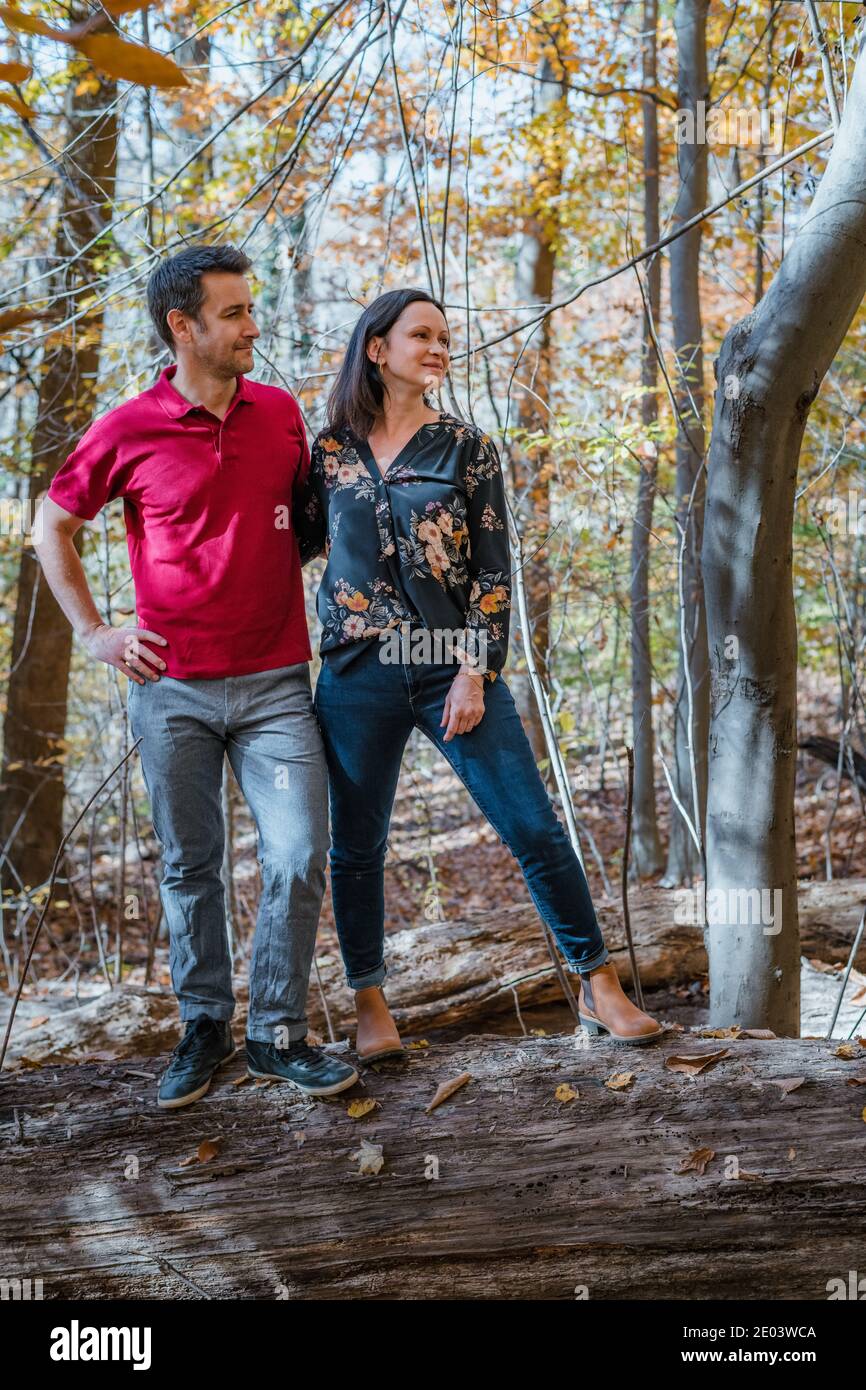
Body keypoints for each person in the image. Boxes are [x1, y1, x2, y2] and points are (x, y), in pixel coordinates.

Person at [293, 288, 664, 1060]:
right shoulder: (329, 452)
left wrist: (474, 671)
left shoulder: (467, 446)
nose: (438, 348)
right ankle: (370, 1004)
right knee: (356, 849)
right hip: (356, 670)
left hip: (443, 664)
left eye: (445, 338)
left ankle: (597, 984)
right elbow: (287, 551)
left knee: (530, 826)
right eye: (421, 335)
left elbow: (493, 574)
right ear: (376, 348)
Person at [34, 243, 359, 1108]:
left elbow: (314, 524)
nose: (254, 325)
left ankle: (276, 1033)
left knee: (296, 853)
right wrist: (98, 632)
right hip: (170, 688)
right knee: (191, 865)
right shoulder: (127, 426)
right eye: (234, 313)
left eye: (251, 309)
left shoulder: (282, 414)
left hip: (278, 686)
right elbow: (49, 526)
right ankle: (205, 1025)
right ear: (183, 327)